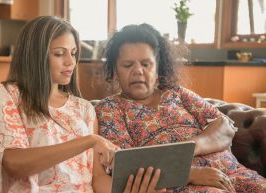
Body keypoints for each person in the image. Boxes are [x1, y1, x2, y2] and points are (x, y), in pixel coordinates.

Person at [0, 16, 164, 193]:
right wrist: (89, 141)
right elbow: (14, 164)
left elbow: (97, 180)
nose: (70, 62)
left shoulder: (84, 109)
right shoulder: (5, 96)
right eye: (59, 53)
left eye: (73, 53)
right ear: (35, 55)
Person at [95, 23, 266, 193]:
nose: (138, 71)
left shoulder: (177, 93)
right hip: (185, 185)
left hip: (235, 173)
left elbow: (224, 127)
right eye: (127, 65)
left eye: (146, 64)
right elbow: (127, 164)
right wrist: (189, 173)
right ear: (115, 71)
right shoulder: (109, 109)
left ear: (157, 69)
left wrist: (188, 148)